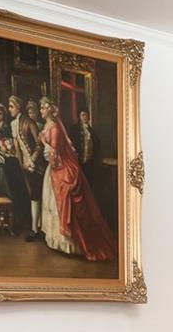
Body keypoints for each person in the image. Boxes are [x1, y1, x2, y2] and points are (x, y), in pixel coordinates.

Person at [38, 95, 115, 260]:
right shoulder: (48, 125)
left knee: (66, 194)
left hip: (60, 166)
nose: (41, 111)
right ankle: (55, 242)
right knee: (51, 202)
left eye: (43, 108)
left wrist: (43, 142)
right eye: (41, 108)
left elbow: (53, 153)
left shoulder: (55, 128)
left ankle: (69, 245)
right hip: (54, 169)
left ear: (50, 110)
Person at [11, 94, 46, 242]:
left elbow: (39, 144)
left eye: (11, 106)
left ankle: (36, 229)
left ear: (18, 107)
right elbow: (17, 148)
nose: (9, 109)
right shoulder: (14, 124)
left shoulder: (29, 122)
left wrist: (32, 161)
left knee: (36, 195)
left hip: (35, 165)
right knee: (32, 195)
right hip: (24, 166)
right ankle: (35, 227)